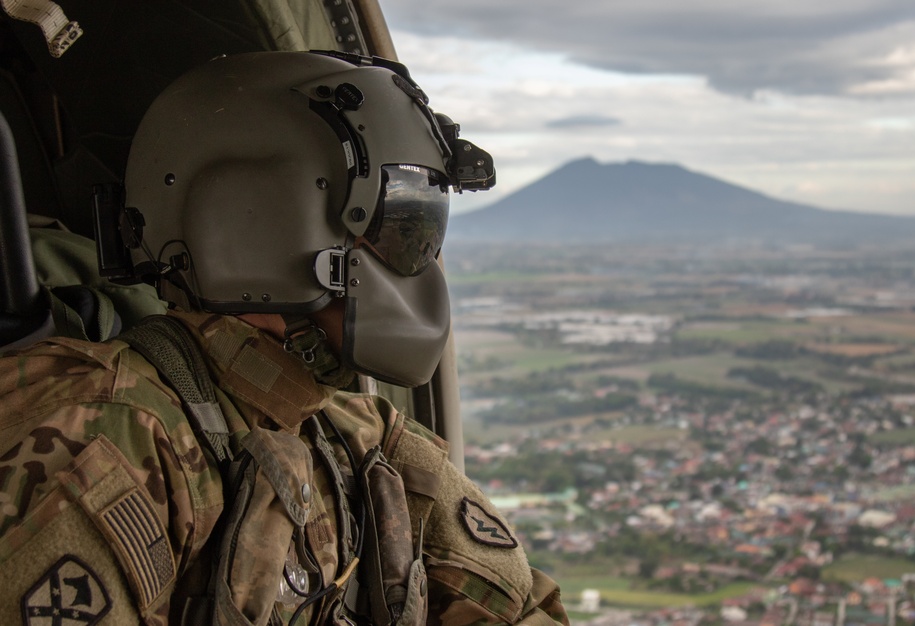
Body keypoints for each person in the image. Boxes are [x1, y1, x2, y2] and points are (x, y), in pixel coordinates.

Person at [0, 51, 568, 625]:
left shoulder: (360, 441)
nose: (418, 265)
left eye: (422, 235)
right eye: (394, 233)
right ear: (263, 225)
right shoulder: (103, 441)